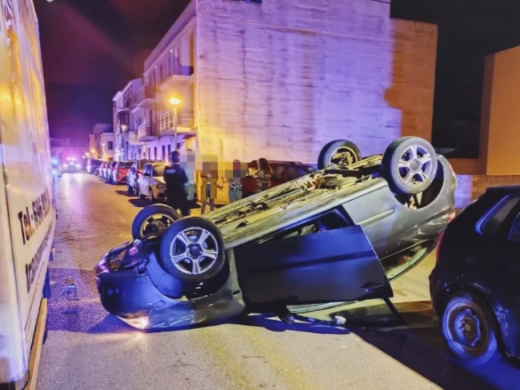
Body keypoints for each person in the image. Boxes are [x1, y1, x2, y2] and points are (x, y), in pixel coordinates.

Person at [163, 150, 189, 217]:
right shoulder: (181, 169)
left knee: (169, 214)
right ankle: (184, 226)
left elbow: (165, 179)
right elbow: (186, 179)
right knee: (185, 214)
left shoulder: (167, 169)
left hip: (170, 195)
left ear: (171, 159)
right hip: (180, 194)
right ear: (178, 159)